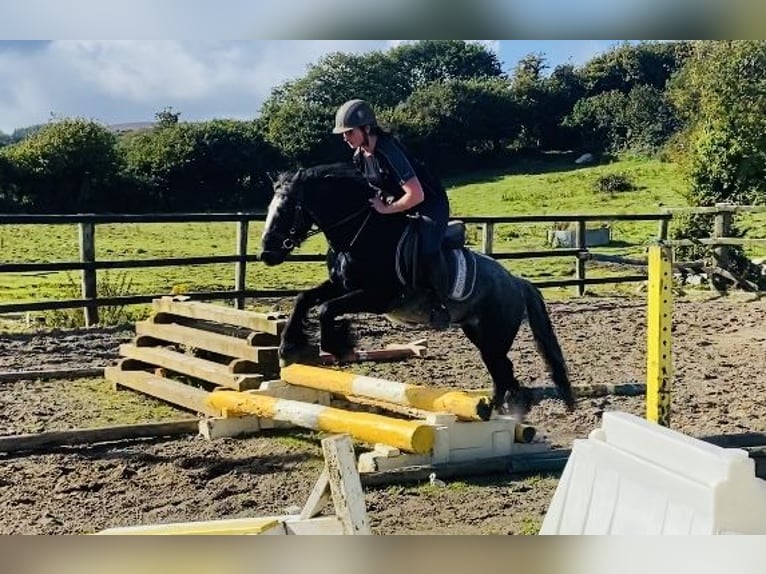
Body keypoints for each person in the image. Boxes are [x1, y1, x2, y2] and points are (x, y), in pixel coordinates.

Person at [332, 98, 451, 330]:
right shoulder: (359, 156)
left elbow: (416, 195)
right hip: (398, 202)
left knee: (426, 247)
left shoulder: (389, 151)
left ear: (366, 129)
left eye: (349, 132)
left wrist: (386, 208)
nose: (345, 137)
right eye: (343, 133)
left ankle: (439, 304)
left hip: (429, 205)